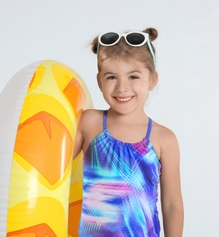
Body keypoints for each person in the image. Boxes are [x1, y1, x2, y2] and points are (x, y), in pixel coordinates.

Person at [73, 27, 184, 237]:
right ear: (99, 82)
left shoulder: (163, 139)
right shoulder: (89, 122)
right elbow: (54, 169)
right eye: (112, 77)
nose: (122, 88)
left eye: (133, 77)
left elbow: (172, 205)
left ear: (152, 79)